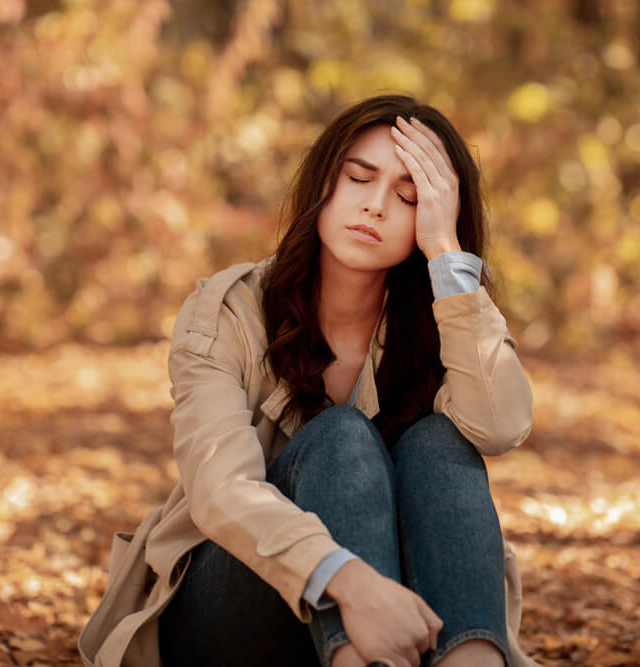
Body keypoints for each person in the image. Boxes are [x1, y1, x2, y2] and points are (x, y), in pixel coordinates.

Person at [77, 94, 537, 667]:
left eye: (409, 197)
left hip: (403, 623)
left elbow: (501, 426)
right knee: (340, 436)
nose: (375, 207)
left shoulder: (445, 322)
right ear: (323, 183)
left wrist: (446, 254)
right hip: (236, 611)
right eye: (358, 179)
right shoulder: (227, 311)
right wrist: (348, 579)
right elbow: (221, 493)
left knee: (442, 444)